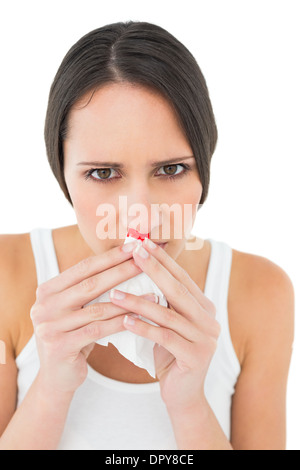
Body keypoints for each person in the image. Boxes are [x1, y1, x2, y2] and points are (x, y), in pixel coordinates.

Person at [0, 21, 294, 450]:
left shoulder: (261, 293)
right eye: (103, 173)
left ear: (204, 168)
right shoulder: (6, 275)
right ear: (62, 174)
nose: (140, 216)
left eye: (171, 169)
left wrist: (189, 404)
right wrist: (50, 389)